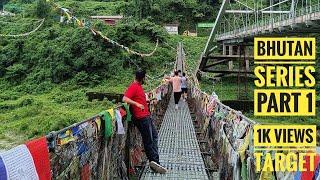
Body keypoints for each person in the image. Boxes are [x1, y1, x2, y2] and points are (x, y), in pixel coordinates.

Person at [123, 70, 167, 174]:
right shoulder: (134, 86)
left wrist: (148, 101)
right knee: (149, 140)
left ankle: (155, 161)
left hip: (146, 116)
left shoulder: (138, 86)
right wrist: (137, 104)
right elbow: (125, 98)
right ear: (143, 78)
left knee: (154, 136)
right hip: (141, 118)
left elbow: (138, 98)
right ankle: (154, 162)